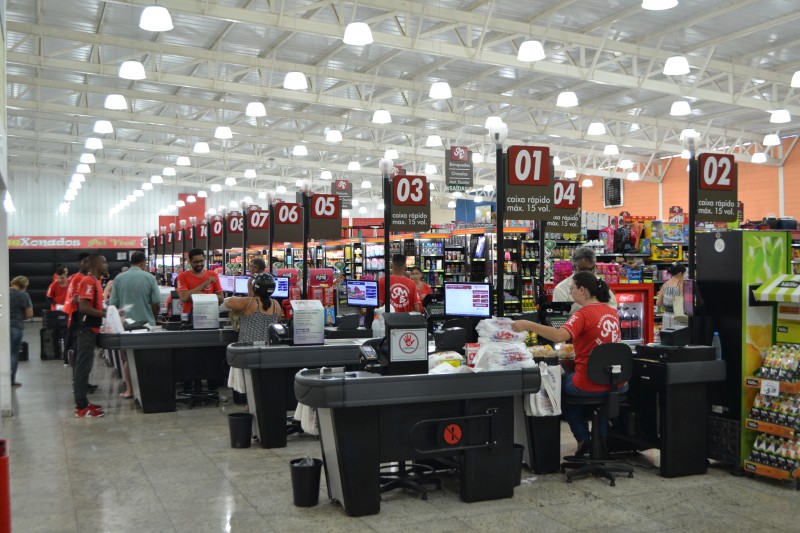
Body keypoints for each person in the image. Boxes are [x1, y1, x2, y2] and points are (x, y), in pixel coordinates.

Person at [512, 272, 624, 456]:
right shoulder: (611, 311)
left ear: (582, 290)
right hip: (615, 382)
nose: (570, 293)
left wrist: (527, 324)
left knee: (558, 389)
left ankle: (583, 440)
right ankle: (602, 441)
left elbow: (559, 336)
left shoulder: (583, 314)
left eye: (572, 289)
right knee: (602, 399)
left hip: (588, 382)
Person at [108, 252, 161, 399]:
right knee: (147, 356)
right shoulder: (149, 277)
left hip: (125, 325)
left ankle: (129, 390)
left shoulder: (119, 278)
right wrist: (155, 318)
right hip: (146, 325)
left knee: (127, 359)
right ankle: (148, 388)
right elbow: (156, 303)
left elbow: (113, 305)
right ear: (143, 263)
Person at [224, 273, 283, 402]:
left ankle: (250, 405)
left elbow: (227, 302)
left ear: (255, 287)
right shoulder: (276, 305)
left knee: (248, 384)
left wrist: (249, 290)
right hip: (267, 351)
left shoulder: (249, 302)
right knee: (260, 384)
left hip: (247, 351)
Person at [74, 253, 108, 418]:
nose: (107, 265)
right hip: (86, 329)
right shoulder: (88, 281)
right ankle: (81, 407)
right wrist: (105, 315)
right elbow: (84, 307)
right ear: (95, 264)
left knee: (86, 367)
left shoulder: (96, 281)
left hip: (92, 329)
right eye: (104, 262)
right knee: (82, 368)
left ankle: (85, 403)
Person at [552, 246, 617, 313]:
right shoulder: (561, 289)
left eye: (591, 269)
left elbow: (612, 307)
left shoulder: (600, 284)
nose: (588, 273)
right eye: (584, 269)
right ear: (575, 267)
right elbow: (559, 316)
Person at [63, 252, 91, 367]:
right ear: (80, 263)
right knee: (75, 342)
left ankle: (69, 358)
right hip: (77, 314)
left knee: (73, 340)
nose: (88, 264)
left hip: (77, 314)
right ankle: (69, 360)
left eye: (89, 261)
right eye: (85, 261)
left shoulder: (83, 277)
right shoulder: (78, 278)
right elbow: (76, 299)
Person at [176, 248, 223, 314]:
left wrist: (201, 296)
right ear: (189, 261)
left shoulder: (213, 275)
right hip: (190, 316)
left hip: (210, 316)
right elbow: (184, 298)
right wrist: (205, 283)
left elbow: (221, 299)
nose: (199, 264)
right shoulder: (182, 276)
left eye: (201, 261)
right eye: (196, 262)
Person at [9, 276, 33, 388]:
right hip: (16, 326)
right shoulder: (24, 295)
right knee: (13, 353)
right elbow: (29, 314)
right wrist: (19, 317)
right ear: (24, 286)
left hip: (2, 325)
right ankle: (11, 380)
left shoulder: (3, 291)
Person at [657, 262, 687, 330]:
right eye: (684, 274)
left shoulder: (665, 285)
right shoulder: (682, 284)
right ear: (680, 273)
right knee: (679, 338)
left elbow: (658, 303)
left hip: (666, 317)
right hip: (679, 317)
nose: (684, 276)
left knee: (668, 338)